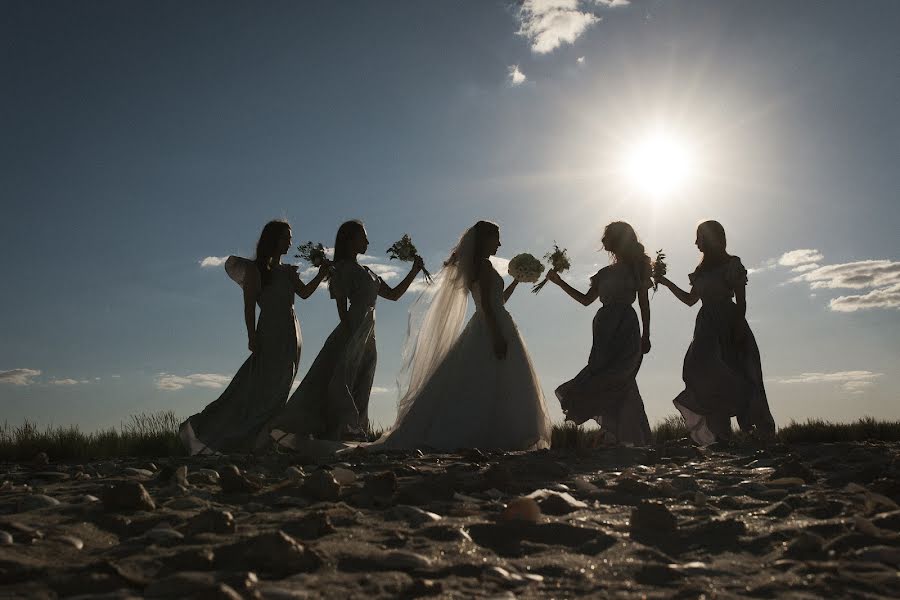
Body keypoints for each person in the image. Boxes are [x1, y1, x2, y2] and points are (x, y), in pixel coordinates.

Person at [373, 220, 551, 451]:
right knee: (491, 381)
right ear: (484, 239)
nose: (499, 243)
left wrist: (515, 282)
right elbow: (487, 305)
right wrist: (497, 336)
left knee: (480, 381)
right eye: (496, 237)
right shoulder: (484, 267)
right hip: (493, 325)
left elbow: (498, 301)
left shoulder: (478, 267)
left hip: (489, 322)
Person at [263, 219, 423, 445]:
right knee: (343, 377)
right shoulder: (342, 269)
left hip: (369, 329)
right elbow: (341, 306)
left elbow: (394, 295)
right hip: (354, 326)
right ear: (350, 240)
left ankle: (355, 427)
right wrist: (349, 333)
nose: (367, 241)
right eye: (363, 236)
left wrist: (414, 271)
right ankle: (345, 426)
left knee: (364, 377)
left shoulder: (368, 271)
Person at [179, 219, 329, 455]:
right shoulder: (256, 270)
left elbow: (305, 293)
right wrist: (252, 336)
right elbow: (249, 306)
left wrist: (322, 274)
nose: (290, 242)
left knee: (281, 385)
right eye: (285, 237)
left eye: (290, 237)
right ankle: (216, 431)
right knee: (259, 385)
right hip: (270, 329)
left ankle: (263, 439)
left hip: (291, 331)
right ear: (273, 239)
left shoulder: (288, 271)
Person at [656, 220, 776, 445]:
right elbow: (690, 300)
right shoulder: (701, 271)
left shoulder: (732, 263)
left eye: (699, 237)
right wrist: (664, 282)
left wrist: (738, 328)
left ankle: (757, 432)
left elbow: (741, 300)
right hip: (706, 327)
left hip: (729, 321)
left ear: (710, 238)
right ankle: (719, 433)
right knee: (702, 371)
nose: (695, 242)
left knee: (741, 372)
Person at [547, 221, 653, 446]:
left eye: (606, 236)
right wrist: (559, 283)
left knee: (621, 377)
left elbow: (644, 303)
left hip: (627, 326)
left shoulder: (639, 267)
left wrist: (647, 334)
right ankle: (621, 434)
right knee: (602, 373)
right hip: (604, 328)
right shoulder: (603, 273)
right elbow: (586, 301)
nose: (602, 240)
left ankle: (625, 434)